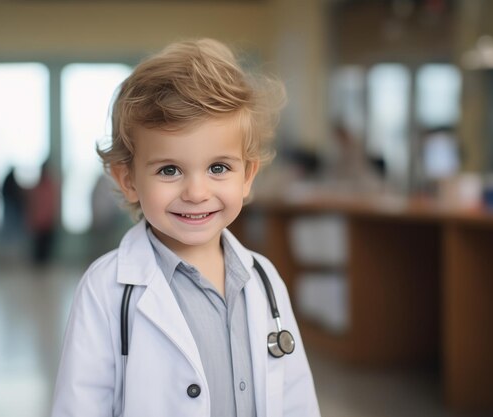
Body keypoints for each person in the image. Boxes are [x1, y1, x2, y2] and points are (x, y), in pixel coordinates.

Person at [51, 39, 320, 417]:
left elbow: (296, 396)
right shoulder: (105, 290)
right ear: (127, 180)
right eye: (169, 170)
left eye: (218, 168)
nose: (196, 192)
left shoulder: (264, 279)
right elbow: (79, 407)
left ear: (248, 176)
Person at [26, 161, 59, 265]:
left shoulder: (49, 185)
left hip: (47, 221)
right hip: (39, 222)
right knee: (39, 250)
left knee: (46, 251)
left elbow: (52, 204)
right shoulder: (39, 186)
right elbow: (33, 205)